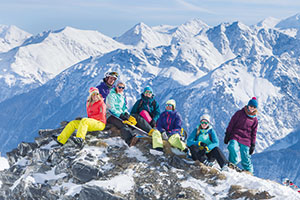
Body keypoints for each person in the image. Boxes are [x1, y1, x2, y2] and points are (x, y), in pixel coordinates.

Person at [224, 97, 258, 174]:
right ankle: (232, 164)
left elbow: (254, 133)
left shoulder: (254, 120)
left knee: (245, 155)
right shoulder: (239, 113)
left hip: (246, 139)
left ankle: (249, 171)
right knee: (232, 147)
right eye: (251, 106)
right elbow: (231, 124)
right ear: (248, 105)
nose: (252, 108)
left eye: (254, 107)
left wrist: (253, 144)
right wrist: (227, 134)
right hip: (235, 135)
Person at [105, 81, 137, 145]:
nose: (121, 89)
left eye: (122, 88)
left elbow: (124, 107)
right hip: (111, 115)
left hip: (119, 115)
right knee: (122, 124)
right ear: (116, 87)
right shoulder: (111, 95)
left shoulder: (122, 96)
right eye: (119, 87)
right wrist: (120, 115)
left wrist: (126, 113)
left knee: (130, 122)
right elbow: (111, 108)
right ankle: (129, 141)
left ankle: (133, 134)